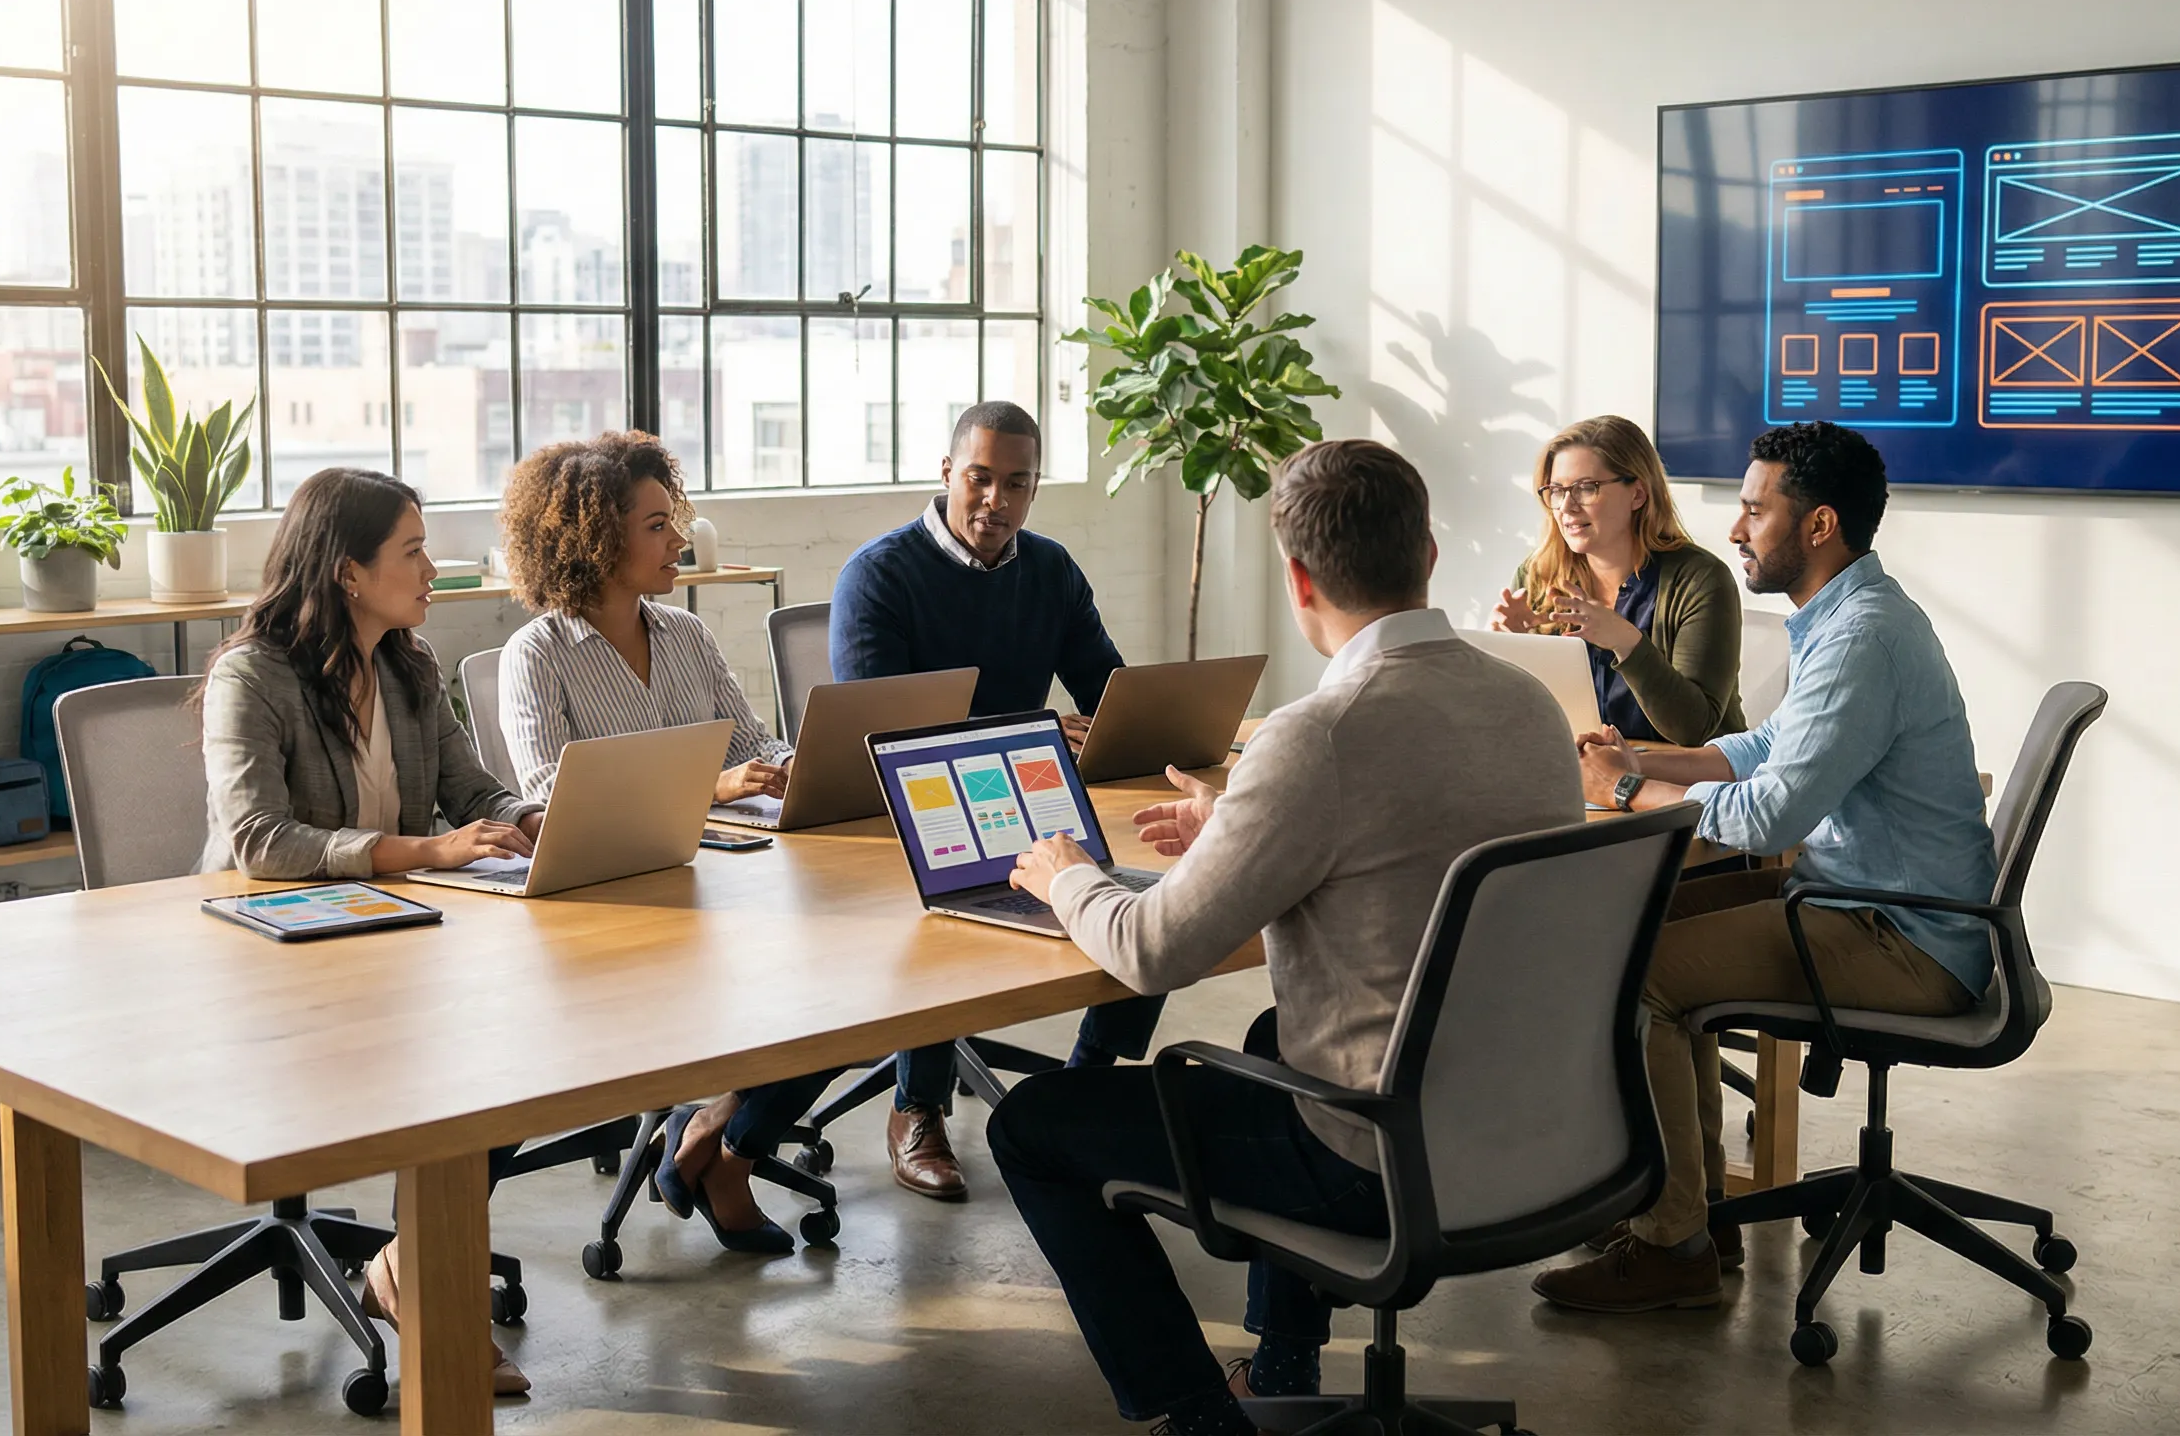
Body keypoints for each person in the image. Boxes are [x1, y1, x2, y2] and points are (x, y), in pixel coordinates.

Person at [982, 439, 1584, 1436]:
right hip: (1529, 1124)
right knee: (1269, 1040)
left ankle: (1195, 1419)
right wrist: (1243, 824)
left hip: (1379, 1154)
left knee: (1034, 1126)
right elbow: (1407, 849)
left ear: (1298, 579)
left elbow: (1148, 953)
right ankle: (1281, 1365)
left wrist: (1066, 875)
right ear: (1427, 554)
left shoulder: (1317, 734)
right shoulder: (1526, 705)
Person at [1529, 420, 1998, 1314]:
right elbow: (1767, 747)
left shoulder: (1862, 637)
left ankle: (1673, 1248)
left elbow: (1770, 814)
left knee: (1635, 979)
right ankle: (1694, 1210)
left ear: (1817, 526)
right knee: (1648, 927)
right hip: (1875, 901)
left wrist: (1627, 795)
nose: (1737, 529)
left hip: (1903, 936)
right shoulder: (1853, 616)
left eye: (1753, 509)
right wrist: (1641, 758)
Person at [198, 466, 546, 1397]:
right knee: (457, 1064)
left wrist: (531, 816)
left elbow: (471, 791)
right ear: (348, 571)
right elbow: (261, 841)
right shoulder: (253, 676)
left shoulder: (408, 664)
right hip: (273, 956)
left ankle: (405, 1261)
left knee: (522, 1053)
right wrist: (422, 852)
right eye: (414, 550)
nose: (434, 568)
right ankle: (427, 1286)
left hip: (397, 940)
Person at [825, 399, 1162, 1203]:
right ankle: (917, 1105)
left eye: (1017, 484)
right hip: (914, 814)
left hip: (1029, 804)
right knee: (946, 897)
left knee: (1149, 894)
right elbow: (889, 737)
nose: (996, 501)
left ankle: (1088, 1084)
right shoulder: (879, 575)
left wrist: (1106, 728)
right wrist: (1039, 732)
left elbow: (1105, 692)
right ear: (947, 473)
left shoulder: (1049, 570)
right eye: (979, 478)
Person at [496, 431, 792, 805]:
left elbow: (750, 744)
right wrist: (706, 789)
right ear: (598, 539)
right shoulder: (535, 655)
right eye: (656, 526)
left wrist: (791, 764)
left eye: (672, 522)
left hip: (718, 844)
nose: (678, 541)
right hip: (615, 859)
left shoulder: (688, 633)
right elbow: (554, 795)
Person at [1494, 414, 1745, 745]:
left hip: (1685, 785)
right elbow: (1515, 726)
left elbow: (1693, 729)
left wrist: (1625, 641)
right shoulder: (1537, 575)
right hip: (1579, 781)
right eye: (1556, 490)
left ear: (1637, 495)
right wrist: (1507, 654)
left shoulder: (1699, 579)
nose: (1566, 507)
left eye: (1586, 488)